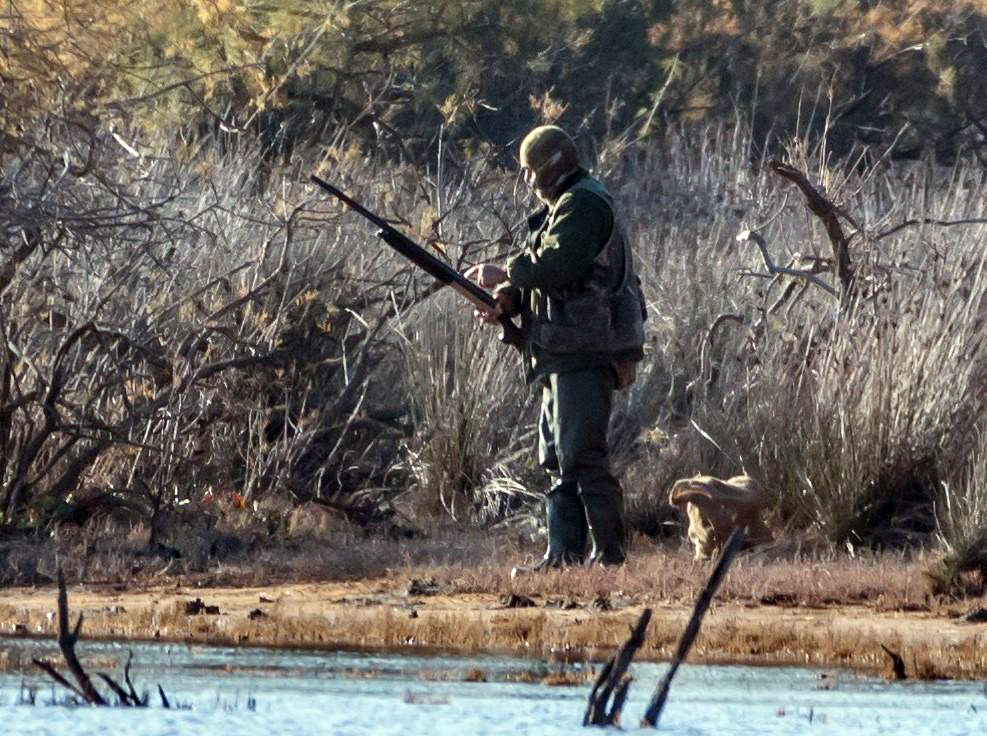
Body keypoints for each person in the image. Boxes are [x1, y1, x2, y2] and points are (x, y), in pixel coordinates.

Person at [465, 125, 646, 575]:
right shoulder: (565, 206)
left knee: (581, 454)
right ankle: (562, 556)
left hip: (586, 349)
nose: (527, 181)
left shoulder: (583, 203)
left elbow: (557, 264)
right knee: (557, 457)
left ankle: (609, 557)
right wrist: (509, 297)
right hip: (561, 349)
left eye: (530, 171)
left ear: (553, 166)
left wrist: (502, 271)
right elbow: (558, 278)